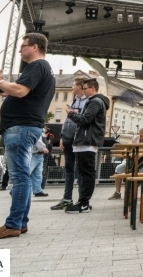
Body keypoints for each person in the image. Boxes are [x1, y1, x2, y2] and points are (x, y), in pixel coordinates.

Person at [0, 32, 55, 239]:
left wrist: (0, 81)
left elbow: (21, 91)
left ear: (35, 47)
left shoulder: (37, 66)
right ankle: (20, 222)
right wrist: (6, 90)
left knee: (20, 177)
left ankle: (13, 224)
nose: (20, 49)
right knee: (23, 177)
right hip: (25, 126)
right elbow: (25, 92)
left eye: (24, 46)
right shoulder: (44, 68)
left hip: (21, 127)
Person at [64, 78, 108, 214]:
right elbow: (87, 118)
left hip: (87, 142)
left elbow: (85, 120)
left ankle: (84, 203)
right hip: (85, 141)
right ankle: (82, 201)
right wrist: (77, 114)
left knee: (86, 174)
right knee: (83, 173)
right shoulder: (94, 101)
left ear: (93, 88)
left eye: (85, 89)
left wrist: (71, 114)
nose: (83, 91)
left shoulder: (95, 101)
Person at [51, 77, 87, 210]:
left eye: (73, 85)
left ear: (80, 87)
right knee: (69, 169)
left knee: (80, 170)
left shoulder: (88, 101)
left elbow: (84, 119)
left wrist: (75, 113)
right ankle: (67, 198)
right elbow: (67, 119)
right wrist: (62, 136)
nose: (72, 87)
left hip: (78, 140)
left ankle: (82, 200)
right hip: (67, 138)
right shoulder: (74, 100)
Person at [108, 128, 143, 200]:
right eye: (140, 135)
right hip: (133, 160)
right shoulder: (135, 138)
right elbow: (128, 147)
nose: (141, 137)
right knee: (119, 168)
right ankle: (117, 192)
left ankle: (133, 193)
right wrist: (127, 152)